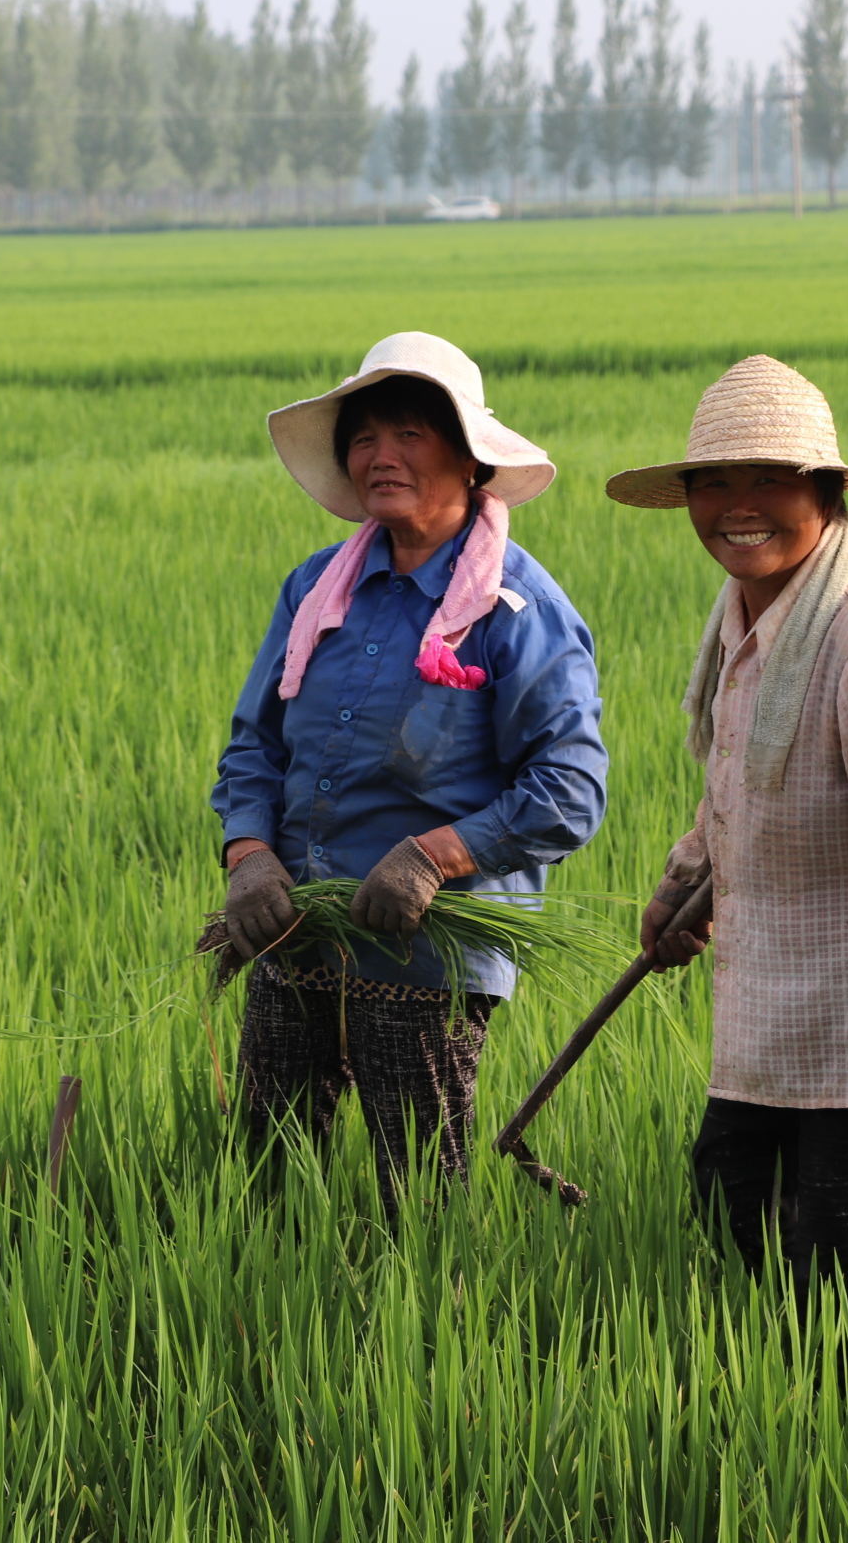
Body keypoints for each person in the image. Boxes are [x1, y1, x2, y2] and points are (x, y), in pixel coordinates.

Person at [605, 353, 848, 1304]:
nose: (741, 505)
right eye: (717, 482)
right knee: (730, 1247)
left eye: (771, 479)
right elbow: (739, 783)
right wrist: (686, 882)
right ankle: (756, 1445)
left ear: (824, 493)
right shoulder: (748, 615)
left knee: (839, 1303)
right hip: (766, 1027)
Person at [213, 332, 608, 1213]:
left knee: (419, 1199)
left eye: (410, 435)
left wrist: (434, 856)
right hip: (295, 929)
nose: (380, 456)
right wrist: (249, 854)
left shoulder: (519, 609)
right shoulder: (317, 589)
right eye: (363, 438)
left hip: (426, 953)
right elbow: (255, 745)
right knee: (265, 1181)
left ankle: (428, 1338)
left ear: (471, 461)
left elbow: (570, 788)